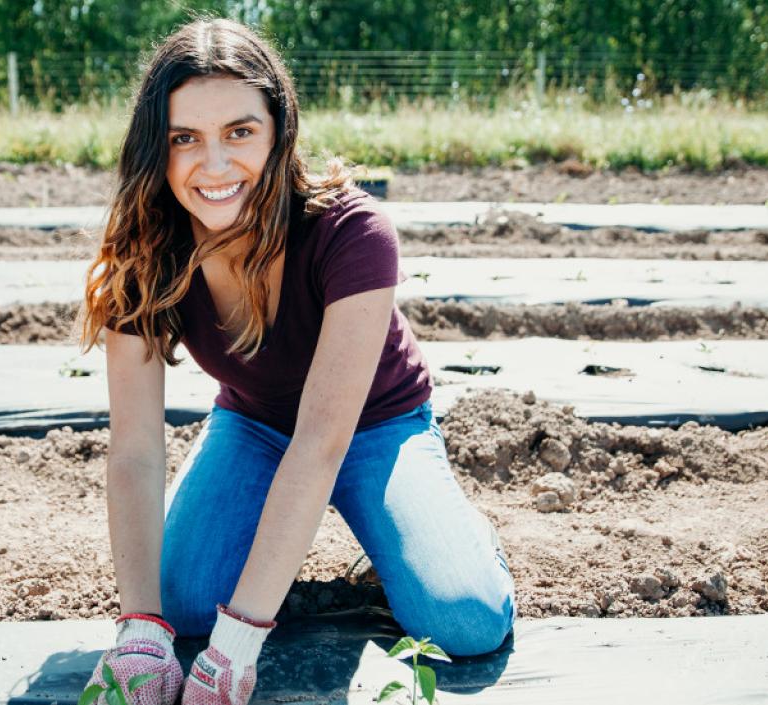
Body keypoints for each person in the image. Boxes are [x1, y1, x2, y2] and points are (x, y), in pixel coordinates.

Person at [76, 18, 515, 705]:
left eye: (240, 132)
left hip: (376, 427)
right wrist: (141, 628)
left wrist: (238, 645)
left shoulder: (352, 232)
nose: (214, 165)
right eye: (184, 138)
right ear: (154, 151)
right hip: (253, 425)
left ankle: (451, 531)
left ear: (280, 129)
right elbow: (134, 448)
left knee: (464, 622)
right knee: (183, 605)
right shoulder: (145, 250)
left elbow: (323, 440)